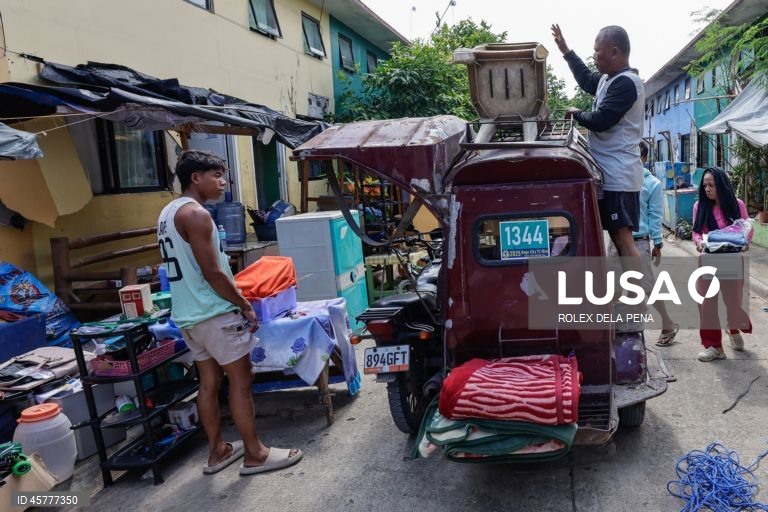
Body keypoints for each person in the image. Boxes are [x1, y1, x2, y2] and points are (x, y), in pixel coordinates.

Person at [157, 150, 302, 475]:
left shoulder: (168, 212)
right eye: (216, 174)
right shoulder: (196, 215)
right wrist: (243, 304)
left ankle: (218, 451)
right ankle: (255, 454)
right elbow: (213, 272)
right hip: (214, 313)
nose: (223, 182)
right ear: (196, 178)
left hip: (188, 316)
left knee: (208, 383)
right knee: (241, 380)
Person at [551, 24, 645, 275]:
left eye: (597, 51)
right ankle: (634, 296)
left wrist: (576, 113)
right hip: (610, 173)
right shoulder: (607, 79)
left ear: (614, 52)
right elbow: (585, 79)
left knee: (623, 239)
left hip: (619, 175)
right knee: (616, 238)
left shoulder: (627, 83)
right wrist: (566, 51)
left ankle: (639, 300)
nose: (594, 56)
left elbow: (602, 119)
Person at [610, 142, 678, 345]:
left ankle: (668, 324)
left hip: (638, 242)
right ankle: (616, 328)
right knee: (612, 287)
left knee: (647, 286)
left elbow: (655, 215)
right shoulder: (616, 179)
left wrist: (658, 243)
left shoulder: (652, 183)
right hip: (616, 241)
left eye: (635, 155)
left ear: (644, 157)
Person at [692, 166, 752, 362]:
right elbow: (696, 231)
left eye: (712, 185)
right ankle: (714, 346)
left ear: (722, 185)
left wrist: (745, 243)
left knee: (733, 301)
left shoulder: (737, 205)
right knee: (706, 303)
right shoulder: (699, 207)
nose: (707, 189)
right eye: (705, 185)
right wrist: (699, 242)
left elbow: (746, 228)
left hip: (732, 260)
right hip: (708, 260)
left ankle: (733, 328)